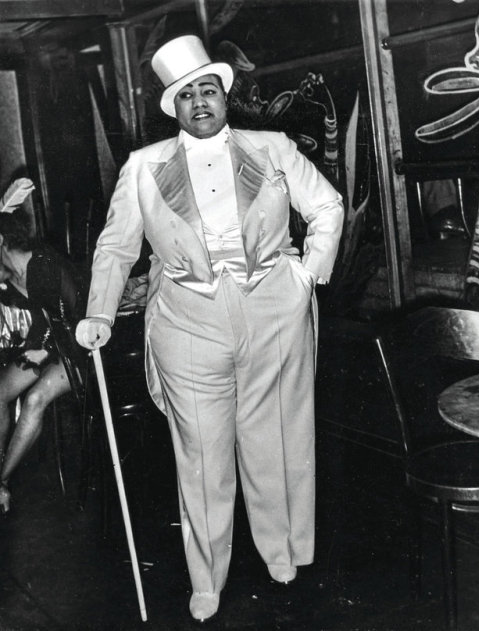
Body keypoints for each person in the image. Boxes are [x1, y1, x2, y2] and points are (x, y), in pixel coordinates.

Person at [76, 34, 344, 622]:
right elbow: (117, 248)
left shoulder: (271, 147)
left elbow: (327, 207)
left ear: (224, 95)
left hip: (273, 308)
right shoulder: (142, 167)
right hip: (187, 320)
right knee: (200, 453)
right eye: (186, 94)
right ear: (172, 107)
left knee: (275, 436)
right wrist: (99, 313)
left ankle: (283, 551)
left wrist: (307, 276)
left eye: (208, 89)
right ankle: (207, 579)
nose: (200, 101)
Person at [0, 206, 85, 514]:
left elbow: (73, 319)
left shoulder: (41, 265)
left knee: (35, 398)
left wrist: (45, 350)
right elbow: (42, 322)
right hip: (50, 347)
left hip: (80, 349)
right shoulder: (14, 275)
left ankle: (2, 480)